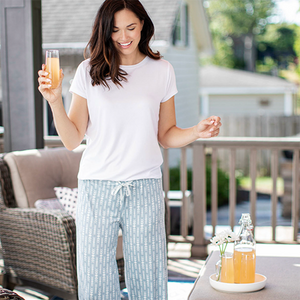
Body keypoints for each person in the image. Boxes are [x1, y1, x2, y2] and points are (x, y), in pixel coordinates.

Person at [38, 0, 222, 299]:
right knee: (96, 281)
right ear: (104, 31)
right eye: (114, 30)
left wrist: (196, 131)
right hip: (96, 187)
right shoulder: (89, 71)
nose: (123, 36)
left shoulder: (161, 70)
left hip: (144, 186)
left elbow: (166, 134)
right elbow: (72, 140)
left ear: (143, 26)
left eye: (131, 27)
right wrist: (54, 100)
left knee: (148, 279)